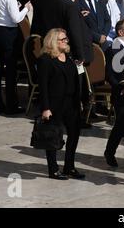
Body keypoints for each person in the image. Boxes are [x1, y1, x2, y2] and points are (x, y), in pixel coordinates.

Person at [38, 28, 84, 180]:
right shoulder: (46, 60)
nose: (66, 41)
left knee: (74, 134)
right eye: (62, 39)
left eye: (66, 39)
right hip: (54, 104)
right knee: (53, 137)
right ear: (53, 41)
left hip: (71, 103)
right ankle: (53, 169)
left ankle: (69, 166)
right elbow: (43, 86)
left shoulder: (68, 57)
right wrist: (45, 108)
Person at [104, 20, 124, 167]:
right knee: (121, 125)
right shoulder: (112, 50)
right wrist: (121, 87)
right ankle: (109, 152)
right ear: (121, 32)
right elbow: (110, 75)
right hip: (122, 93)